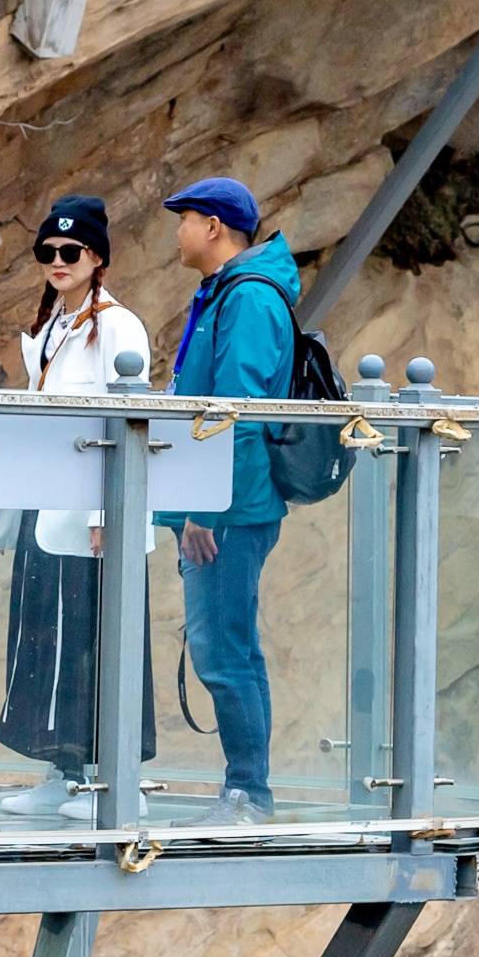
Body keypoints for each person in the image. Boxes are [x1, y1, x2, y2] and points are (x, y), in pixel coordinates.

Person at [0, 196, 153, 820]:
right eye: (48, 252)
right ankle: (62, 770)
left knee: (99, 637)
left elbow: (124, 419)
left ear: (97, 258)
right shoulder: (56, 325)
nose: (57, 261)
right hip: (45, 503)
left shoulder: (118, 326)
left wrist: (105, 513)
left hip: (93, 510)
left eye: (71, 251)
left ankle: (119, 780)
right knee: (43, 637)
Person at [155, 175, 298, 823]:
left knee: (222, 646)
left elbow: (234, 410)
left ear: (213, 226)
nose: (177, 233)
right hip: (222, 499)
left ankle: (248, 792)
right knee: (225, 642)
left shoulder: (247, 298)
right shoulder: (223, 292)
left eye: (183, 219)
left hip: (230, 508)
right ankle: (245, 788)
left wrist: (202, 508)